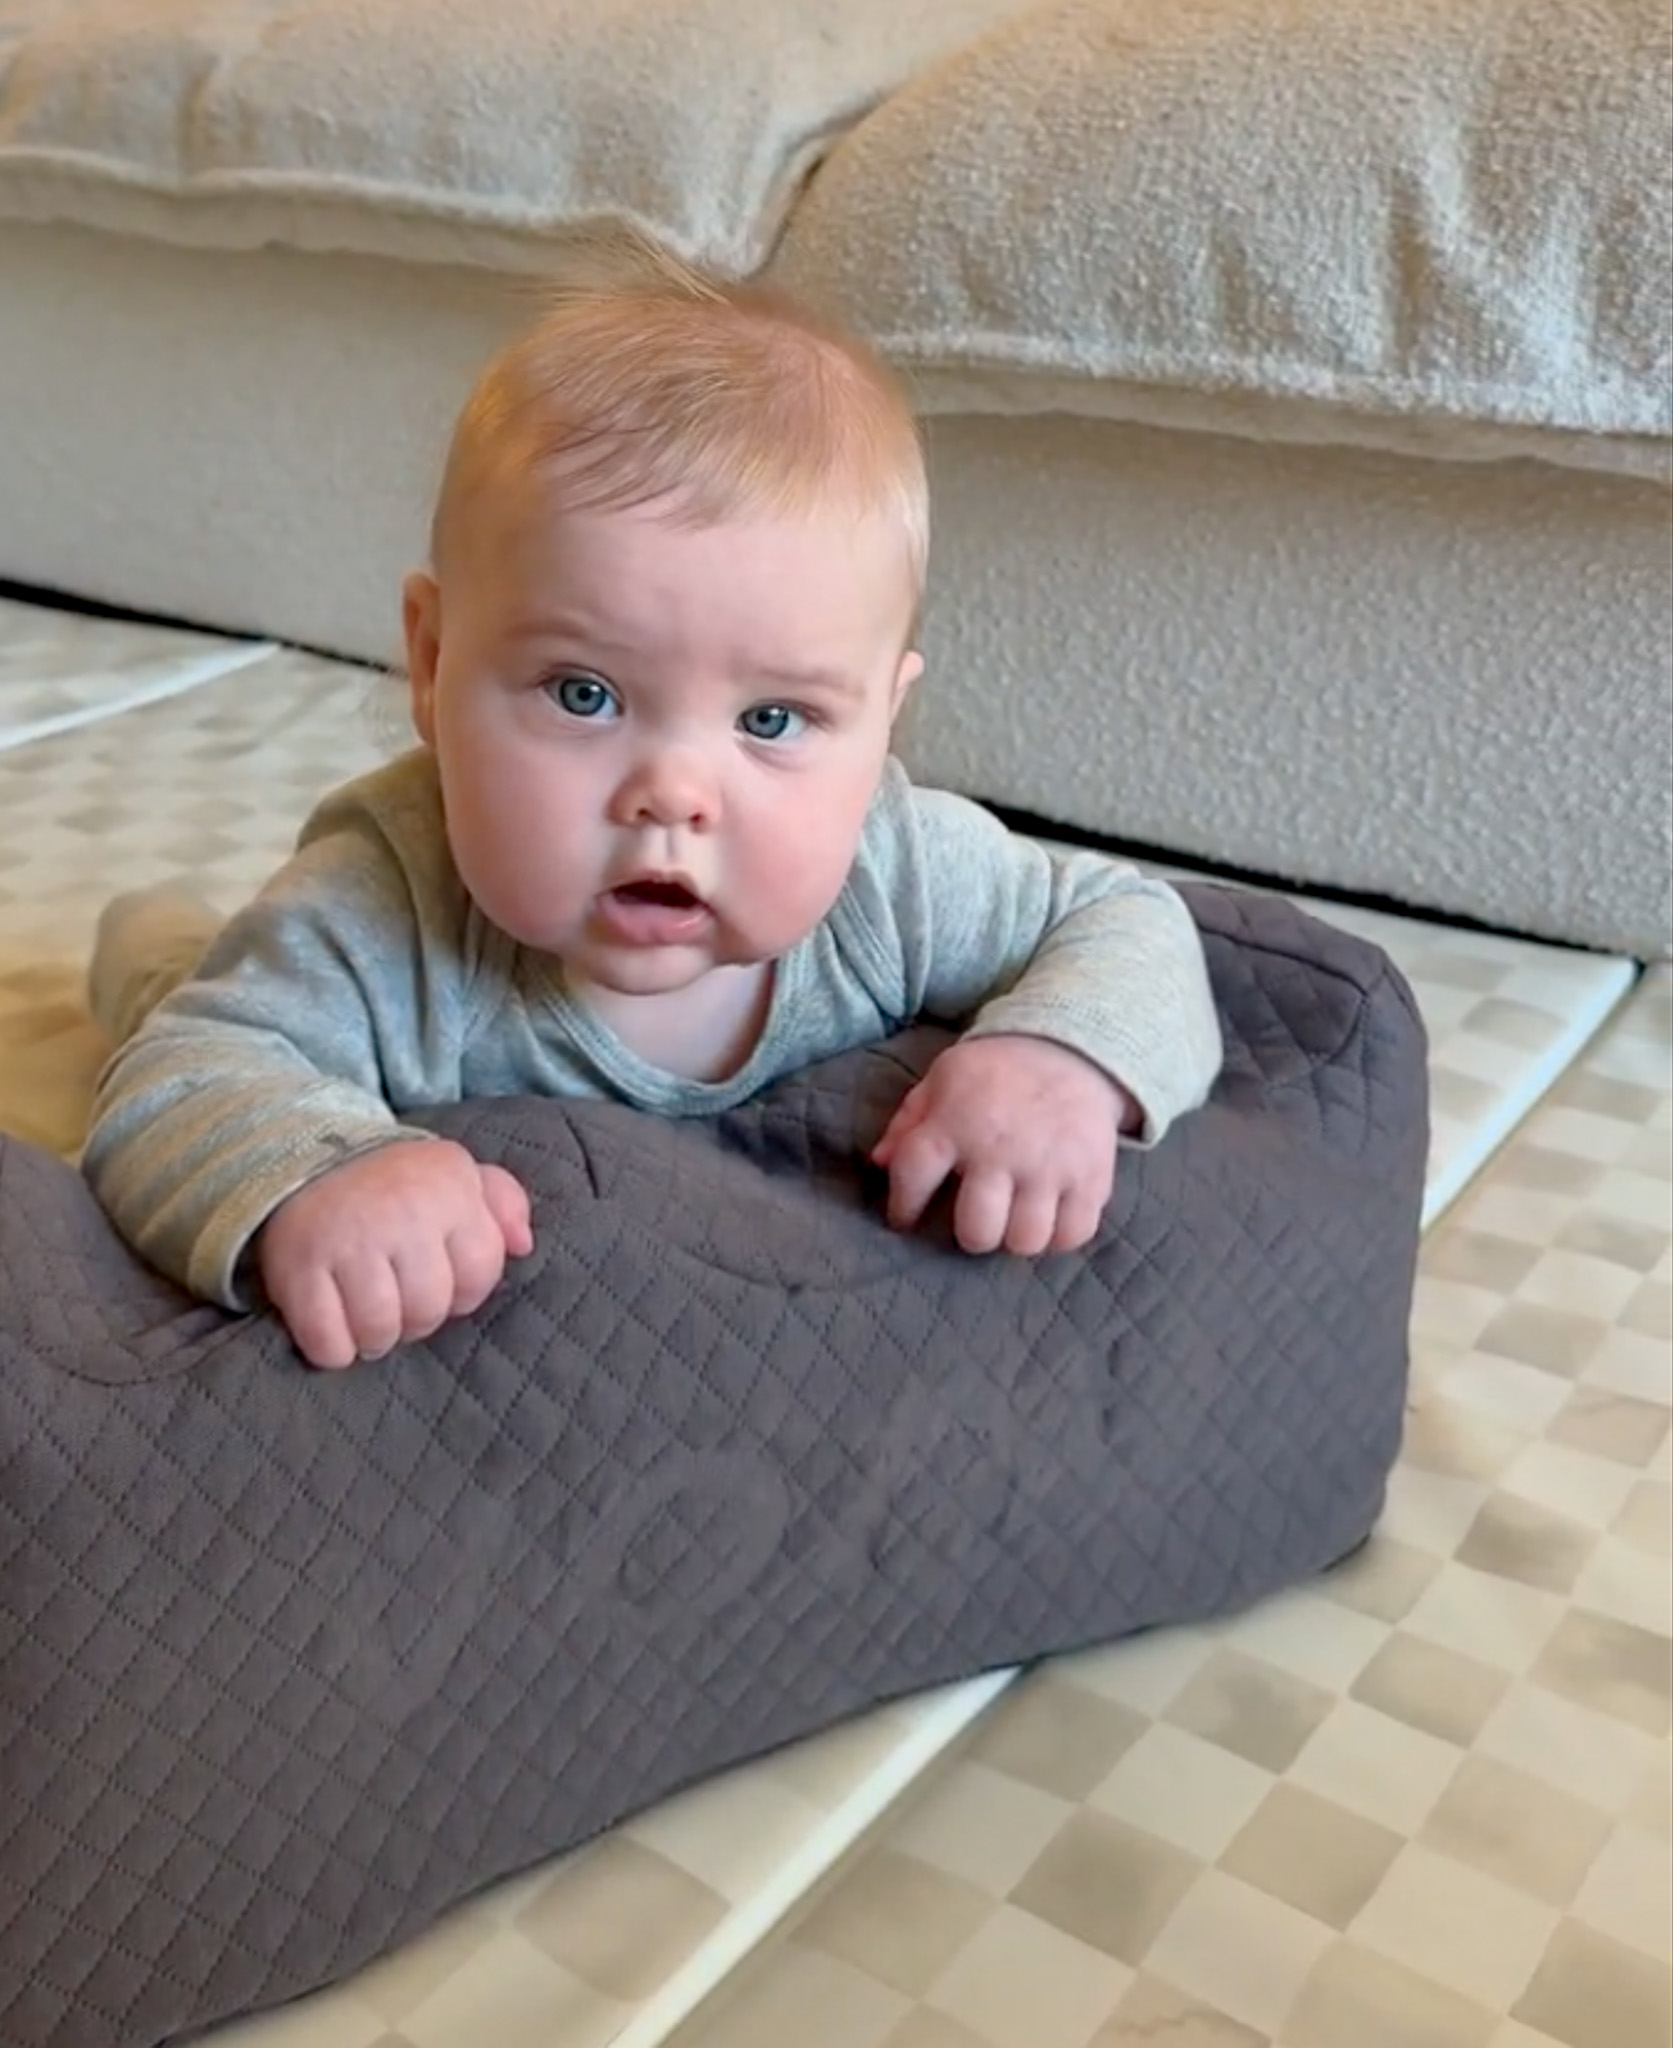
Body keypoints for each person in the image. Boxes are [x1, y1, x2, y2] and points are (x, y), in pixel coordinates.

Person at [82, 229, 1224, 1371]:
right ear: (431, 666)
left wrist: (1058, 1058)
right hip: (276, 988)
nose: (671, 794)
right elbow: (183, 1076)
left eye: (772, 720)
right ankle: (153, 946)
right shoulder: (388, 905)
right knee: (179, 990)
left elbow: (1124, 917)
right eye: (584, 694)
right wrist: (320, 1169)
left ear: (882, 719)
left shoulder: (898, 870)